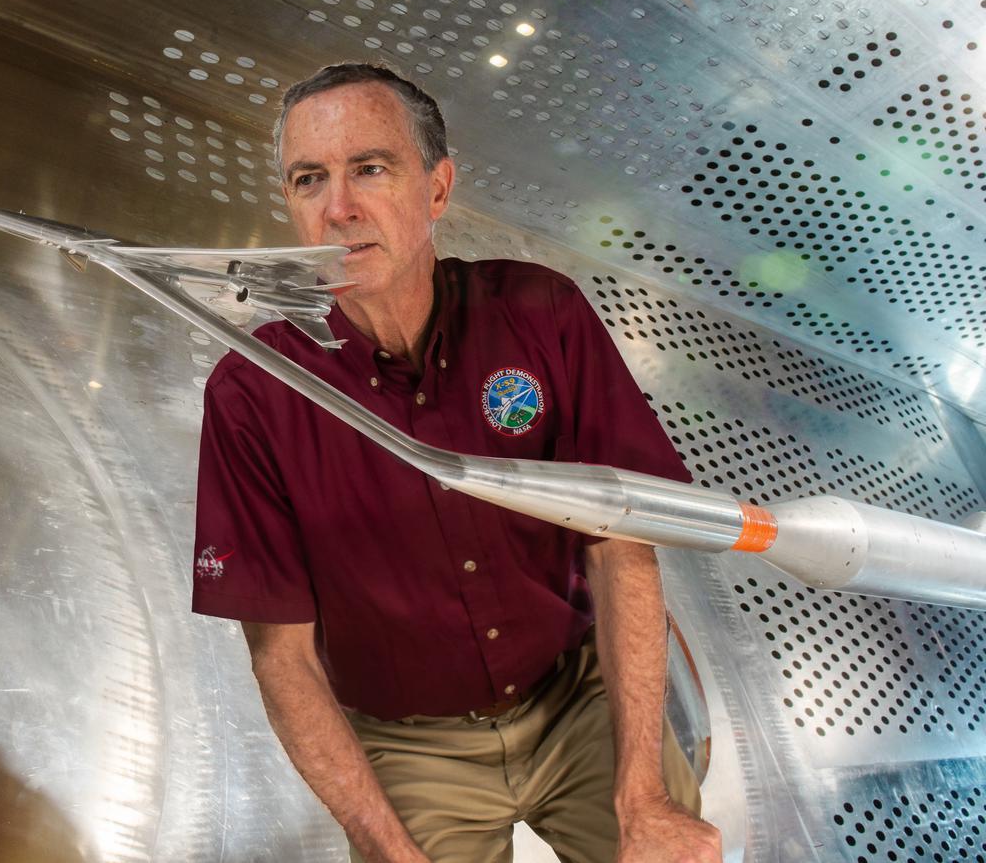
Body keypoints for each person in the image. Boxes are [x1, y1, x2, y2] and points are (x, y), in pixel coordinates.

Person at [191, 63, 722, 863]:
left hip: (577, 696)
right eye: (310, 180)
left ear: (437, 189)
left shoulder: (543, 314)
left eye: (370, 168)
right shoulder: (254, 391)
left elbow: (623, 547)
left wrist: (642, 793)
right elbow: (284, 658)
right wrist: (386, 846)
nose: (339, 209)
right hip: (408, 743)